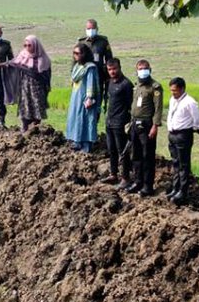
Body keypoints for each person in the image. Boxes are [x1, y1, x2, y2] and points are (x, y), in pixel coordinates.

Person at [125, 59, 163, 197]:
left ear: (150, 69)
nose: (143, 70)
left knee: (148, 156)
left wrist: (155, 126)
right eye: (140, 68)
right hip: (135, 123)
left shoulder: (155, 87)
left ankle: (148, 186)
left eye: (145, 68)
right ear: (136, 70)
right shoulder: (137, 86)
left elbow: (158, 109)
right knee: (136, 155)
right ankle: (138, 181)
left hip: (147, 125)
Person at [0, 35, 51, 132]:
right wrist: (0, 65)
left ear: (35, 45)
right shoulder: (23, 55)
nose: (27, 47)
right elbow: (13, 63)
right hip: (25, 88)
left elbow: (46, 76)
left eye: (29, 45)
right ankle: (24, 130)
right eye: (25, 45)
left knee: (36, 111)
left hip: (37, 90)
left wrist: (46, 88)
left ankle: (35, 132)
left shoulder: (43, 59)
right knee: (24, 110)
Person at [166, 77, 199, 205]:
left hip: (183, 135)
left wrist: (193, 128)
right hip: (172, 134)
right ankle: (175, 188)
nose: (173, 93)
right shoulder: (173, 100)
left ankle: (183, 191)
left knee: (183, 165)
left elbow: (197, 118)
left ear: (182, 89)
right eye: (171, 91)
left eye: (175, 91)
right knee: (175, 163)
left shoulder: (190, 102)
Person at [102, 58, 133, 186]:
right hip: (109, 122)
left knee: (123, 151)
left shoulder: (126, 84)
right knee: (111, 150)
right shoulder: (109, 83)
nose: (112, 71)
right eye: (109, 69)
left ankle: (125, 177)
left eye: (114, 69)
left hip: (120, 123)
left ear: (119, 68)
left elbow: (130, 104)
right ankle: (113, 174)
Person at [66, 43, 100, 152]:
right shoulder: (77, 66)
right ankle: (76, 142)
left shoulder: (90, 67)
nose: (75, 56)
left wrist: (89, 98)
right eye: (74, 53)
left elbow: (91, 84)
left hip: (85, 99)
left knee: (85, 121)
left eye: (78, 53)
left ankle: (86, 147)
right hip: (76, 99)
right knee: (75, 119)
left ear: (84, 54)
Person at [76, 18, 113, 115]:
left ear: (97, 29)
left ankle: (94, 125)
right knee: (83, 103)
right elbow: (75, 61)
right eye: (88, 28)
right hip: (84, 78)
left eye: (92, 28)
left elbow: (109, 59)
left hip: (99, 77)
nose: (90, 31)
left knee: (96, 103)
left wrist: (108, 77)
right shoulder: (81, 42)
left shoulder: (103, 42)